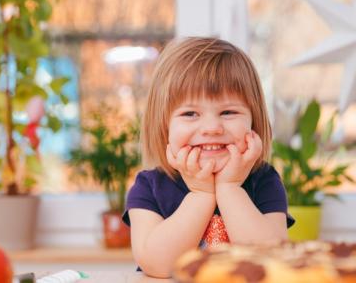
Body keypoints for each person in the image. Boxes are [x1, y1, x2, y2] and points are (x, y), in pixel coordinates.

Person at [122, 37, 294, 278]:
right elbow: (157, 265)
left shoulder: (264, 180)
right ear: (164, 127)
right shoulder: (149, 187)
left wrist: (230, 188)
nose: (212, 127)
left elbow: (270, 261)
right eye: (190, 113)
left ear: (253, 122)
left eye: (228, 112)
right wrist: (201, 194)